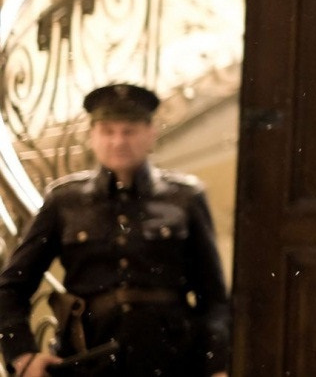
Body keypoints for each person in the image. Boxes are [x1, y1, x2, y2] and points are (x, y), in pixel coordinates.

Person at [0, 84, 230, 377]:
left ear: (151, 133)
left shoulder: (184, 198)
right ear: (92, 136)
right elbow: (11, 288)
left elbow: (214, 298)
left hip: (171, 360)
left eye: (129, 131)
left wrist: (216, 365)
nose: (118, 141)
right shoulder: (65, 201)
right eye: (108, 131)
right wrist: (23, 355)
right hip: (88, 360)